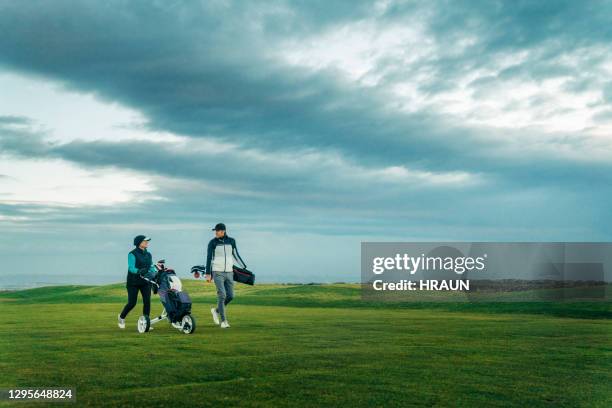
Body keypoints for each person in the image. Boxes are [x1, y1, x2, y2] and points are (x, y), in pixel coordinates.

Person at [205, 223, 246, 329]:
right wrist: (208, 273)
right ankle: (224, 321)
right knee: (222, 295)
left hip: (229, 272)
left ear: (223, 231)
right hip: (217, 272)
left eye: (217, 231)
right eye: (215, 231)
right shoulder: (212, 243)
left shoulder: (231, 241)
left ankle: (216, 311)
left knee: (231, 296)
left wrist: (244, 267)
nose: (215, 233)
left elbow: (236, 255)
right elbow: (209, 258)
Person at [117, 235, 157, 329]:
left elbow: (150, 266)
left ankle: (146, 323)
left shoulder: (148, 254)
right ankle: (121, 317)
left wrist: (154, 272)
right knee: (132, 303)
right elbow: (131, 268)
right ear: (139, 242)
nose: (147, 242)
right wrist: (139, 271)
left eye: (147, 241)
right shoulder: (132, 254)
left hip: (146, 281)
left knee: (147, 302)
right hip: (133, 282)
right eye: (145, 241)